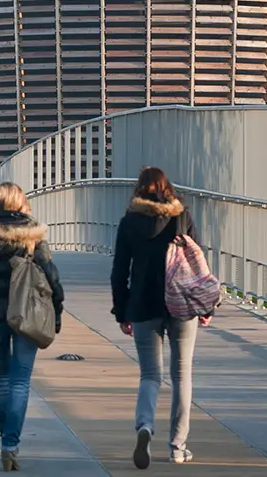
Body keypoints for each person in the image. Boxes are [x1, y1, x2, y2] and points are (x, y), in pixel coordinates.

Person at [0, 182, 64, 472]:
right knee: (20, 380)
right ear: (21, 203)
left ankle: (5, 433)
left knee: (2, 378)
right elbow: (52, 278)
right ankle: (10, 443)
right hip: (27, 313)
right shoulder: (33, 236)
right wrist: (56, 314)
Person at [111, 166, 212, 469]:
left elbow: (119, 271)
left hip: (143, 305)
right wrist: (205, 307)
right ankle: (178, 448)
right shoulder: (181, 216)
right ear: (167, 187)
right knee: (182, 376)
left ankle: (144, 427)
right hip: (181, 303)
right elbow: (198, 265)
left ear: (139, 190)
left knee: (150, 376)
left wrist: (121, 310)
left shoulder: (130, 221)